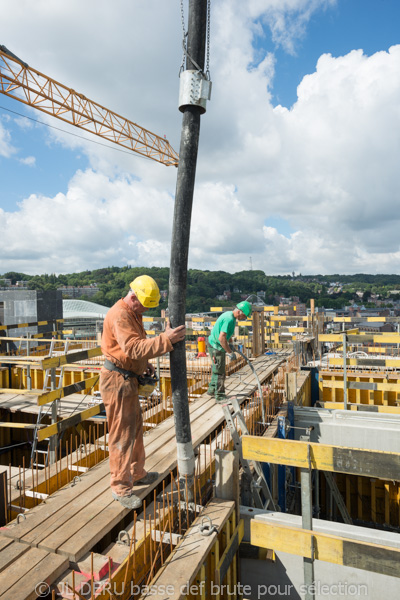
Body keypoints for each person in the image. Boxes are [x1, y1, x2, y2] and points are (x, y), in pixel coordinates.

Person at [100, 275, 186, 509]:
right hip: (117, 381)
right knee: (121, 435)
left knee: (135, 429)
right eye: (145, 305)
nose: (146, 310)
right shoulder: (120, 314)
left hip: (127, 378)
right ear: (134, 297)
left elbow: (131, 349)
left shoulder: (132, 312)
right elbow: (133, 347)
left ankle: (136, 472)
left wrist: (143, 363)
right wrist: (165, 340)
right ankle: (120, 486)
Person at [207, 301, 252, 402]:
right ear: (240, 312)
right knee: (220, 372)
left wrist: (230, 343)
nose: (244, 318)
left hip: (214, 345)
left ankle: (212, 389)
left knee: (216, 368)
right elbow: (222, 338)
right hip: (216, 347)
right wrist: (230, 352)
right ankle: (219, 396)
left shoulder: (230, 316)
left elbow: (227, 335)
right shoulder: (229, 319)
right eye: (244, 316)